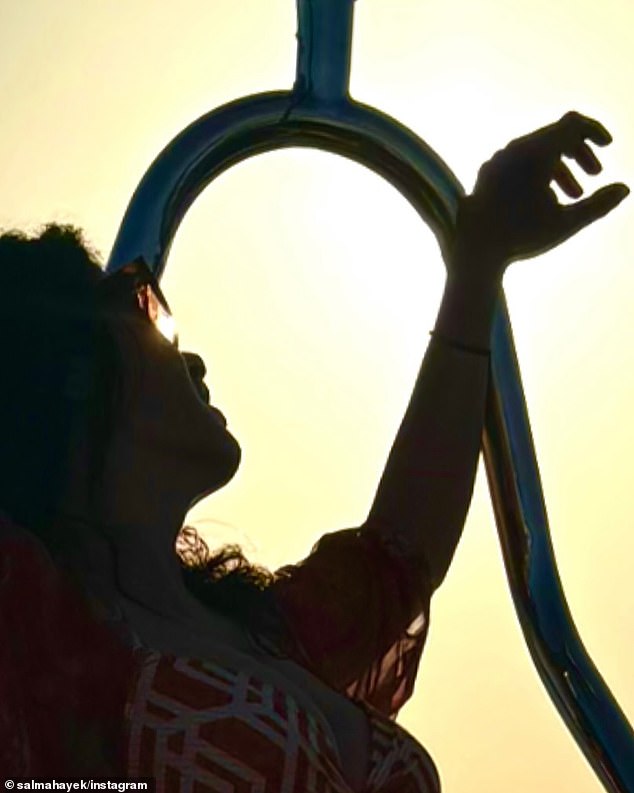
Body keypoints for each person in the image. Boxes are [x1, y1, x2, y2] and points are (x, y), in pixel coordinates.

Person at [0, 112, 628, 789]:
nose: (196, 358)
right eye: (145, 307)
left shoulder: (262, 630)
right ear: (61, 365)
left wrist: (478, 260)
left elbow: (397, 554)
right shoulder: (31, 628)